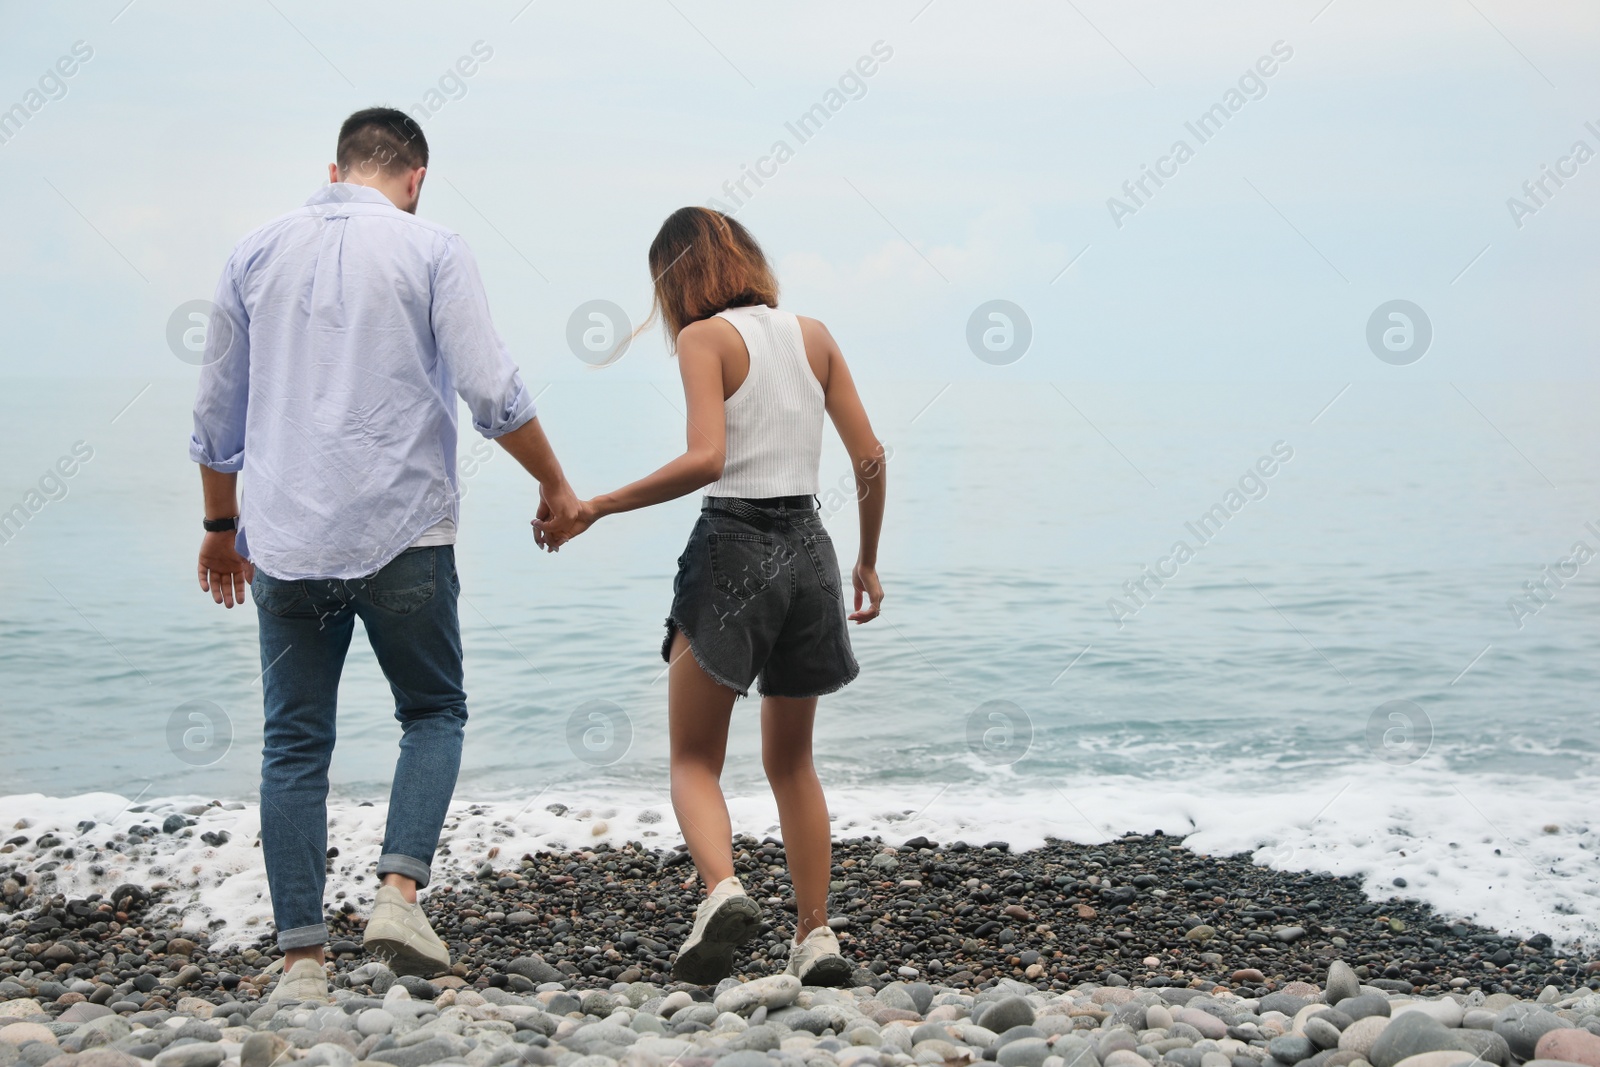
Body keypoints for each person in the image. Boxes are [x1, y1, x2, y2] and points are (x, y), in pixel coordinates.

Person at [189, 107, 580, 1003]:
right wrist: (555, 485)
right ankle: (399, 892)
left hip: (285, 540)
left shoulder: (253, 251)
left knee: (293, 743)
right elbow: (492, 388)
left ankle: (300, 961)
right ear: (415, 179)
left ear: (334, 168)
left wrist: (220, 528)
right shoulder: (432, 246)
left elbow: (217, 411)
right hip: (404, 532)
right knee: (433, 711)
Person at [535, 206, 887, 985]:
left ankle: (722, 889)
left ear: (675, 279)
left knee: (694, 757)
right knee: (792, 760)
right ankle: (816, 933)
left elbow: (705, 459)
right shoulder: (816, 335)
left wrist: (596, 506)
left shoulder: (704, 339)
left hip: (733, 543)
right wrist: (866, 559)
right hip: (812, 550)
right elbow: (869, 456)